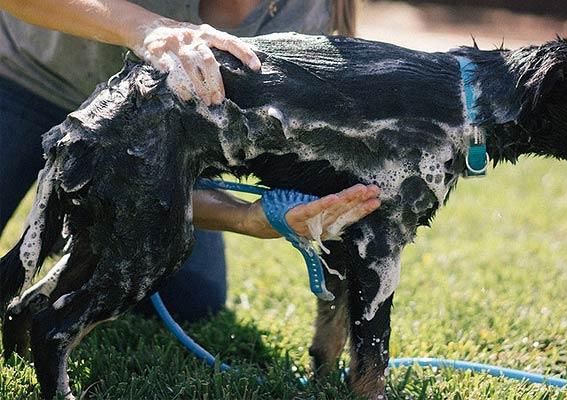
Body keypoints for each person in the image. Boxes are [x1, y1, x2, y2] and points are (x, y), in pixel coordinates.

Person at [0, 0, 380, 321]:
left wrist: (246, 217)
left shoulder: (310, 15)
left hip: (149, 139)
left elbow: (176, 178)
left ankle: (78, 224)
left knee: (193, 301)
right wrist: (147, 27)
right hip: (30, 78)